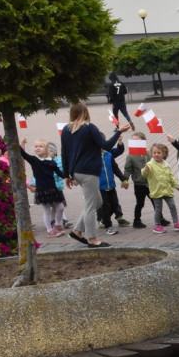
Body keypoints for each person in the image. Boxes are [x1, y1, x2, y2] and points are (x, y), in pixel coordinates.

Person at [60, 101, 125, 248]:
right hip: (89, 172)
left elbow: (65, 153)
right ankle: (92, 239)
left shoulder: (66, 129)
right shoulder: (89, 128)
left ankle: (77, 231)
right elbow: (106, 146)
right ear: (84, 112)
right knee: (91, 205)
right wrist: (119, 132)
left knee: (98, 202)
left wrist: (66, 175)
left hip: (76, 171)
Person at [19, 137, 67, 237]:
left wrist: (69, 176)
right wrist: (21, 145)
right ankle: (49, 230)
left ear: (46, 149)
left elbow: (60, 173)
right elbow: (23, 155)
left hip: (53, 189)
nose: (38, 148)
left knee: (61, 207)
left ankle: (57, 225)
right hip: (42, 189)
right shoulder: (34, 160)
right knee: (47, 210)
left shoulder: (51, 161)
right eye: (36, 146)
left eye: (40, 146)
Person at [142, 142, 179, 233]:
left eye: (159, 152)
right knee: (158, 209)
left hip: (167, 190)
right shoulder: (149, 164)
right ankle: (157, 225)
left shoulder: (166, 164)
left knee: (172, 206)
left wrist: (177, 186)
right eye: (154, 153)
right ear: (151, 154)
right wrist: (145, 170)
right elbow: (144, 174)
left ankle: (176, 223)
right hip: (157, 191)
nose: (156, 154)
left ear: (163, 154)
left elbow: (171, 177)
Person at [96, 142, 128, 234]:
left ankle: (104, 219)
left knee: (114, 205)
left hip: (111, 185)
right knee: (105, 206)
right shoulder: (92, 157)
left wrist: (123, 180)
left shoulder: (109, 155)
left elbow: (116, 169)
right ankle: (108, 226)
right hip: (100, 187)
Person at [122, 131, 150, 228]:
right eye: (133, 141)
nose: (135, 143)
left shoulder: (149, 154)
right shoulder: (130, 156)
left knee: (156, 201)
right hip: (139, 184)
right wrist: (125, 180)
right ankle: (136, 220)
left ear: (143, 142)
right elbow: (127, 169)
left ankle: (160, 218)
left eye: (137, 141)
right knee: (140, 203)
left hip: (151, 183)